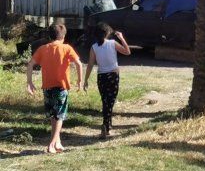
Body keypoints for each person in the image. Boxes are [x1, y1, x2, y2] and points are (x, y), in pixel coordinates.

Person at [26, 24, 83, 154]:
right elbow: (79, 64)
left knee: (54, 115)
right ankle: (52, 144)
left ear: (49, 36)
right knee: (60, 116)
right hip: (61, 86)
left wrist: (29, 82)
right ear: (63, 36)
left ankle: (57, 142)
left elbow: (30, 65)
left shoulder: (42, 48)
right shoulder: (67, 48)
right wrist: (79, 80)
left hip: (47, 87)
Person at [83, 22, 131, 139]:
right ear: (106, 33)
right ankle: (106, 124)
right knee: (110, 101)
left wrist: (86, 79)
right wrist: (122, 38)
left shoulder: (94, 47)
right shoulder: (113, 43)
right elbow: (127, 51)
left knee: (105, 101)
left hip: (101, 77)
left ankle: (107, 124)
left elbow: (90, 65)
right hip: (113, 75)